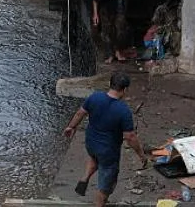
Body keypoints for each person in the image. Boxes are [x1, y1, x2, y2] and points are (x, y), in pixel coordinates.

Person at [63, 72, 148, 207]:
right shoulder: (123, 110)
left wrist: (71, 127)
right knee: (106, 185)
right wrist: (141, 154)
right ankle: (100, 203)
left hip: (91, 143)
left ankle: (84, 178)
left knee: (94, 158)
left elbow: (80, 113)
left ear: (110, 85)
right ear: (125, 90)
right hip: (108, 152)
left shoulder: (95, 97)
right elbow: (130, 137)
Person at [93, 0, 128, 64]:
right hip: (104, 11)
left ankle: (117, 52)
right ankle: (110, 55)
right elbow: (95, 0)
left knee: (119, 31)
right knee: (106, 33)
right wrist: (95, 15)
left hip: (115, 10)